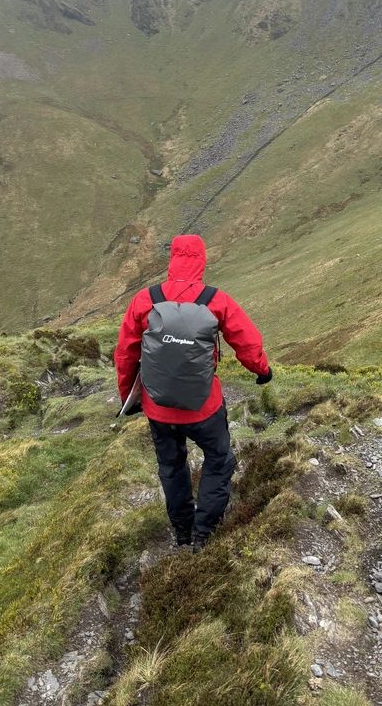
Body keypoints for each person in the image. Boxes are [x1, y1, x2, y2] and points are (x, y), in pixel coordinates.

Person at [115, 233, 272, 551]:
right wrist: (262, 370)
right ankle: (204, 533)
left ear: (172, 260)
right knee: (219, 460)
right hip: (204, 408)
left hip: (158, 408)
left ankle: (183, 531)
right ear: (201, 261)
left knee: (171, 466)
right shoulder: (216, 300)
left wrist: (128, 398)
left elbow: (126, 354)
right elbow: (246, 340)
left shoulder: (145, 299)